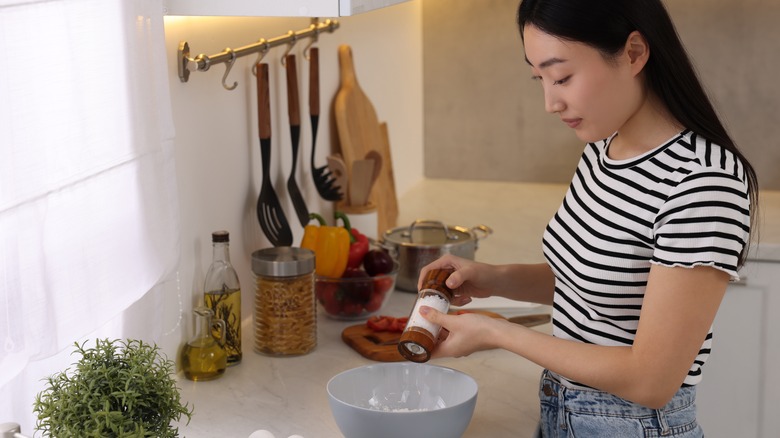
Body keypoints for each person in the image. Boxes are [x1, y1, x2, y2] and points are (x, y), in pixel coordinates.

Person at [417, 0, 759, 436]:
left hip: (632, 424)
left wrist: (498, 334)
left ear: (634, 52)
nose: (549, 102)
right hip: (562, 410)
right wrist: (494, 277)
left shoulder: (702, 183)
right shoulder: (603, 148)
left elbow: (652, 380)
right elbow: (598, 286)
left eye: (562, 77)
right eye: (539, 78)